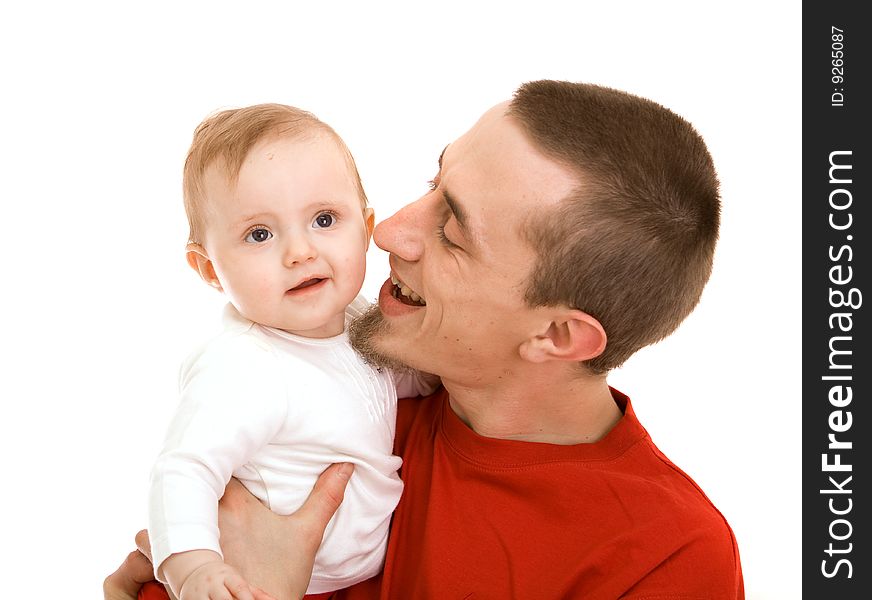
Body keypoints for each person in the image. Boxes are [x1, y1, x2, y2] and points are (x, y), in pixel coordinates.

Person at [107, 80, 745, 599]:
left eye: (452, 232)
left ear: (556, 334)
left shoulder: (668, 558)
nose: (388, 232)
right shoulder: (348, 405)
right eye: (432, 182)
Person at [141, 104, 437, 600]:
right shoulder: (244, 366)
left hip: (367, 576)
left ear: (365, 229)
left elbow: (386, 381)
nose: (299, 251)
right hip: (277, 582)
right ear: (210, 269)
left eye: (324, 219)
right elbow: (184, 468)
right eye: (260, 234)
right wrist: (193, 568)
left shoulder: (359, 321)